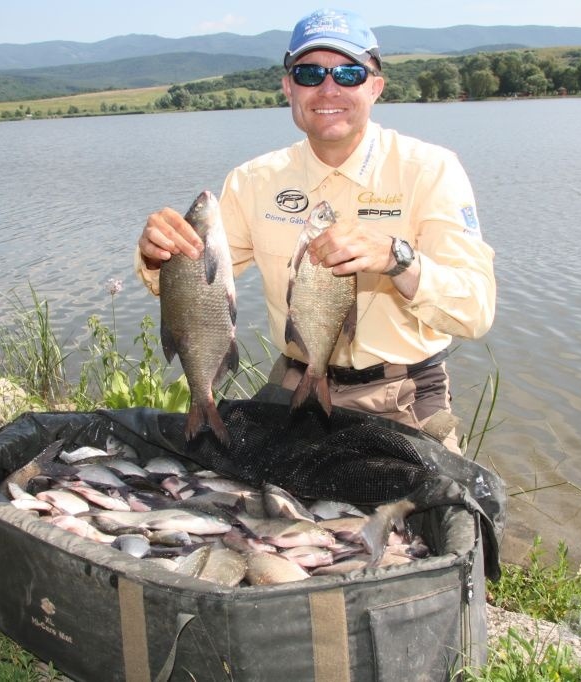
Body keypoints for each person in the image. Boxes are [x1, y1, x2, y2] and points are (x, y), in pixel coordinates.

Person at [136, 8, 495, 453]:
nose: (329, 88)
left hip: (403, 395)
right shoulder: (253, 180)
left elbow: (475, 310)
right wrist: (159, 254)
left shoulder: (431, 170)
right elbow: (192, 283)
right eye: (309, 73)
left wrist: (397, 258)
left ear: (376, 87)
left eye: (348, 73)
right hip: (293, 383)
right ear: (288, 87)